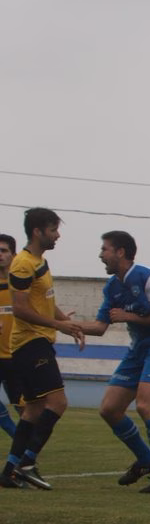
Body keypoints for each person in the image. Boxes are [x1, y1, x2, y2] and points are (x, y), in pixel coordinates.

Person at [75, 231, 150, 494]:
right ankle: (146, 460)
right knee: (109, 409)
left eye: (105, 249)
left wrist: (127, 317)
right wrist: (62, 325)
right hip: (138, 349)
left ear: (120, 252)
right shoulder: (112, 286)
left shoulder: (147, 276)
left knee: (145, 405)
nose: (101, 254)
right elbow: (100, 327)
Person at [0, 208, 86, 490]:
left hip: (37, 340)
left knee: (33, 409)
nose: (57, 235)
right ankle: (27, 462)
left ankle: (10, 470)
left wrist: (66, 323)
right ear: (37, 231)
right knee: (58, 403)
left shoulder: (39, 261)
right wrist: (57, 325)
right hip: (30, 342)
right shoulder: (23, 264)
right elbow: (22, 309)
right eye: (53, 230)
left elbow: (44, 302)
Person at [0, 233, 21, 438]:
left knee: (24, 408)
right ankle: (18, 439)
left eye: (4, 250)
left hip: (17, 355)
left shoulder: (21, 285)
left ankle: (27, 451)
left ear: (14, 255)